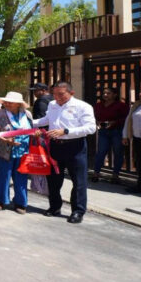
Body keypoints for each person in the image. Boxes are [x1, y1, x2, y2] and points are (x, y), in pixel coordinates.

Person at [34, 81, 97, 224]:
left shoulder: (83, 106)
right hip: (55, 146)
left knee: (79, 181)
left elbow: (90, 128)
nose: (57, 97)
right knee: (53, 180)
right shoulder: (52, 104)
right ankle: (54, 207)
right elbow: (46, 120)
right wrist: (28, 123)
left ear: (71, 93)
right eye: (54, 94)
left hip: (75, 147)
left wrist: (66, 131)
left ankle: (78, 211)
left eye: (61, 94)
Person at [0, 92, 33, 214]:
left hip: (23, 151)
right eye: (6, 102)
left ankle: (20, 202)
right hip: (4, 150)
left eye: (10, 102)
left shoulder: (27, 114)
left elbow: (31, 130)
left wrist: (35, 134)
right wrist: (5, 139)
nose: (7, 104)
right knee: (4, 176)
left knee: (21, 177)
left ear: (18, 104)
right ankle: (0, 200)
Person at [92, 87, 129, 183]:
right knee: (100, 153)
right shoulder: (98, 105)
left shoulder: (121, 105)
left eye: (108, 93)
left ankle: (115, 175)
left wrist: (114, 122)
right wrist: (97, 122)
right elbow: (93, 116)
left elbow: (127, 119)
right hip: (103, 131)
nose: (105, 95)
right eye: (104, 93)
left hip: (117, 131)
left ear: (115, 95)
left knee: (118, 153)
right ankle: (96, 174)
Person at [122, 85, 141, 196]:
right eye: (140, 92)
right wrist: (125, 135)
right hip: (138, 139)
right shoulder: (136, 106)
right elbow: (128, 120)